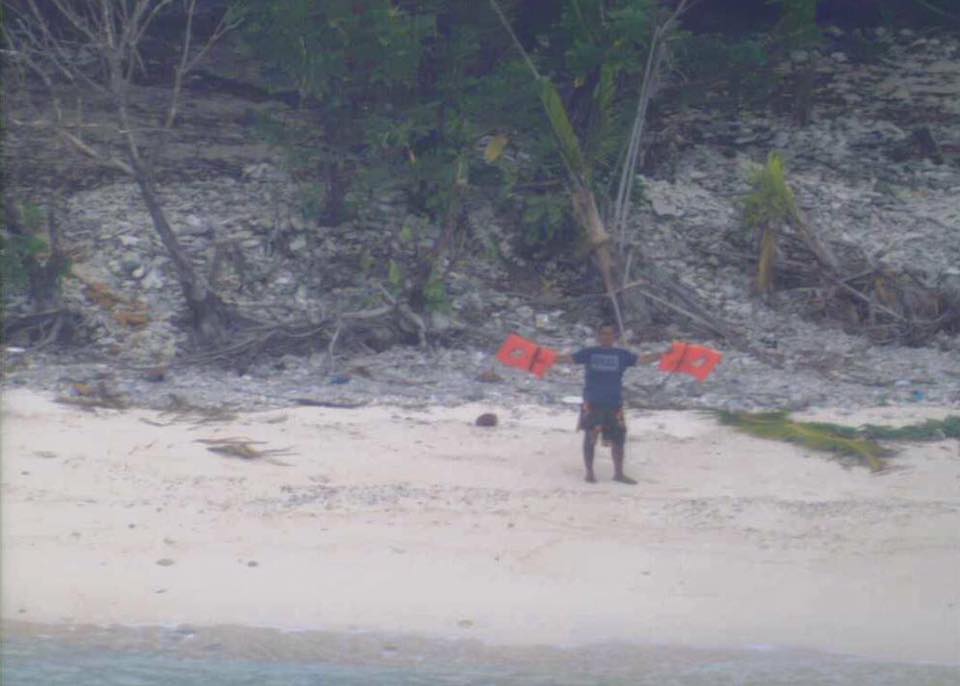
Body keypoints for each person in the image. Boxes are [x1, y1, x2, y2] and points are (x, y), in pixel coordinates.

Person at [557, 324, 661, 485]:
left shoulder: (622, 354)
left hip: (614, 403)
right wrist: (540, 355)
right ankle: (589, 472)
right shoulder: (589, 353)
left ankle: (618, 473)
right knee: (590, 437)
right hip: (592, 402)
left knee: (619, 440)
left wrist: (662, 354)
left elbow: (642, 360)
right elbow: (567, 359)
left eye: (610, 334)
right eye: (603, 334)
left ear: (615, 337)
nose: (606, 337)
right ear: (598, 336)